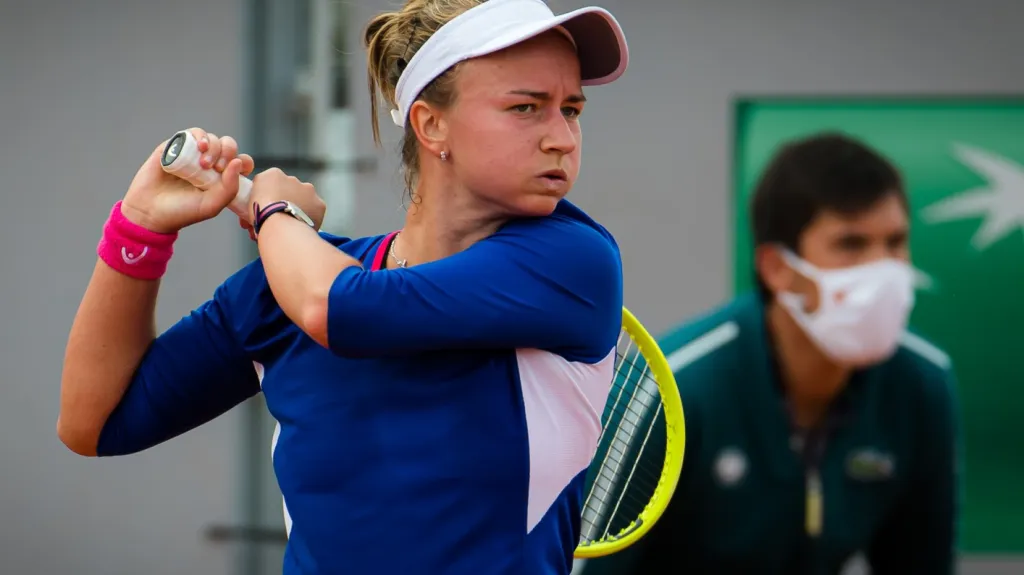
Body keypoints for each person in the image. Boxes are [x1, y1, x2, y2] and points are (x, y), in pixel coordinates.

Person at [57, 0, 631, 573]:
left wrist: (275, 212)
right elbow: (96, 423)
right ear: (432, 125)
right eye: (527, 107)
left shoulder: (572, 261)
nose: (562, 137)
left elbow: (335, 309)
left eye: (572, 109)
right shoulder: (280, 284)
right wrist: (141, 224)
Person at [578, 133, 961, 574]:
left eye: (895, 243)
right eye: (851, 245)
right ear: (778, 268)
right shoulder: (669, 390)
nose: (883, 269)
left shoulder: (924, 383)